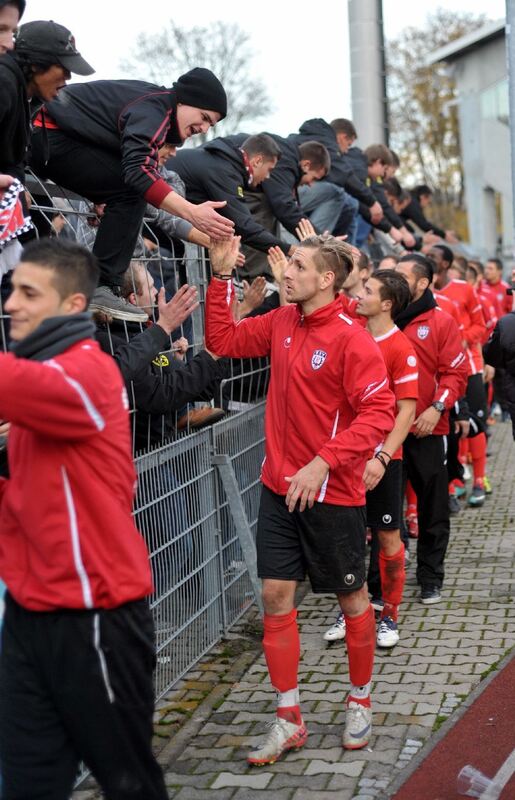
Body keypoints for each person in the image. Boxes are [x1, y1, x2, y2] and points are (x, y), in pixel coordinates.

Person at [205, 234, 395, 761]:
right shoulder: (283, 322)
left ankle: (359, 699)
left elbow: (378, 414)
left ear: (327, 279)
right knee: (274, 597)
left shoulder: (353, 339)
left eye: (300, 265)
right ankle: (288, 717)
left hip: (332, 495)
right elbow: (223, 342)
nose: (287, 272)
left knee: (352, 600)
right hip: (277, 489)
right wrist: (220, 280)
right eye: (290, 263)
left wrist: (324, 460)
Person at [0, 238, 169, 799]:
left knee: (128, 784)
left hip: (95, 615)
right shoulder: (39, 381)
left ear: (73, 306)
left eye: (28, 293)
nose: (11, 305)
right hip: (31, 617)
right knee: (29, 785)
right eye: (10, 290)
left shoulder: (87, 372)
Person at [29, 65, 234, 320]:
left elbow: (116, 159)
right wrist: (192, 212)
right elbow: (138, 171)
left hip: (54, 136)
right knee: (135, 188)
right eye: (204, 117)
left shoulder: (157, 109)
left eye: (210, 125)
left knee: (131, 189)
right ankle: (102, 286)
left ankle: (103, 287)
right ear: (184, 100)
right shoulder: (156, 109)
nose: (204, 129)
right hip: (45, 134)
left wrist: (101, 194)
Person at [324, 269, 418, 648]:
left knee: (388, 535)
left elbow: (406, 412)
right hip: (346, 456)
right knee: (346, 536)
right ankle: (352, 609)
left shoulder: (401, 347)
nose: (358, 294)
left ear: (386, 304)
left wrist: (382, 456)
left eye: (368, 290)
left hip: (382, 461)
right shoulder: (352, 333)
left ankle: (389, 615)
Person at [395, 254, 468, 603]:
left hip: (429, 431)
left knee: (432, 508)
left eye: (402, 276)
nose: (393, 281)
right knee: (387, 510)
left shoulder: (441, 322)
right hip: (386, 434)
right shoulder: (381, 317)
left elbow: (456, 373)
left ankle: (430, 577)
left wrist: (436, 409)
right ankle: (384, 580)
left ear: (422, 283)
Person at [0, 17, 93, 278]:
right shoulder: (4, 82)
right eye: (63, 68)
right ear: (36, 62)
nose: (68, 78)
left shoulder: (23, 95)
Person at [431, 244, 489, 507]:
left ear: (444, 263)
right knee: (450, 427)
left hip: (470, 366)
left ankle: (479, 480)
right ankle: (454, 482)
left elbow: (482, 325)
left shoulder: (464, 289)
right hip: (440, 372)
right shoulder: (425, 294)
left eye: (432, 257)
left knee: (475, 425)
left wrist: (463, 339)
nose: (427, 259)